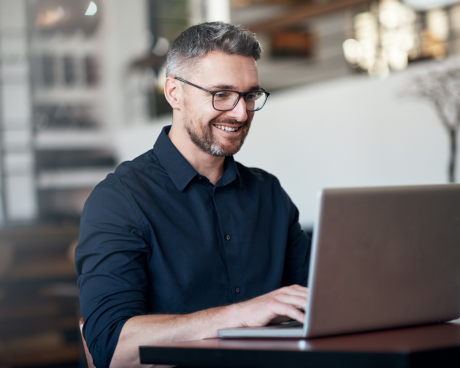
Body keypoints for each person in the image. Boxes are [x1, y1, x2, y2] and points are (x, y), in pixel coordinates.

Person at [75, 21, 311, 368]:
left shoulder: (269, 194)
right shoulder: (119, 200)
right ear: (174, 93)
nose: (241, 112)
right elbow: (112, 348)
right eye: (221, 94)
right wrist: (242, 315)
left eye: (250, 95)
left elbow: (316, 308)